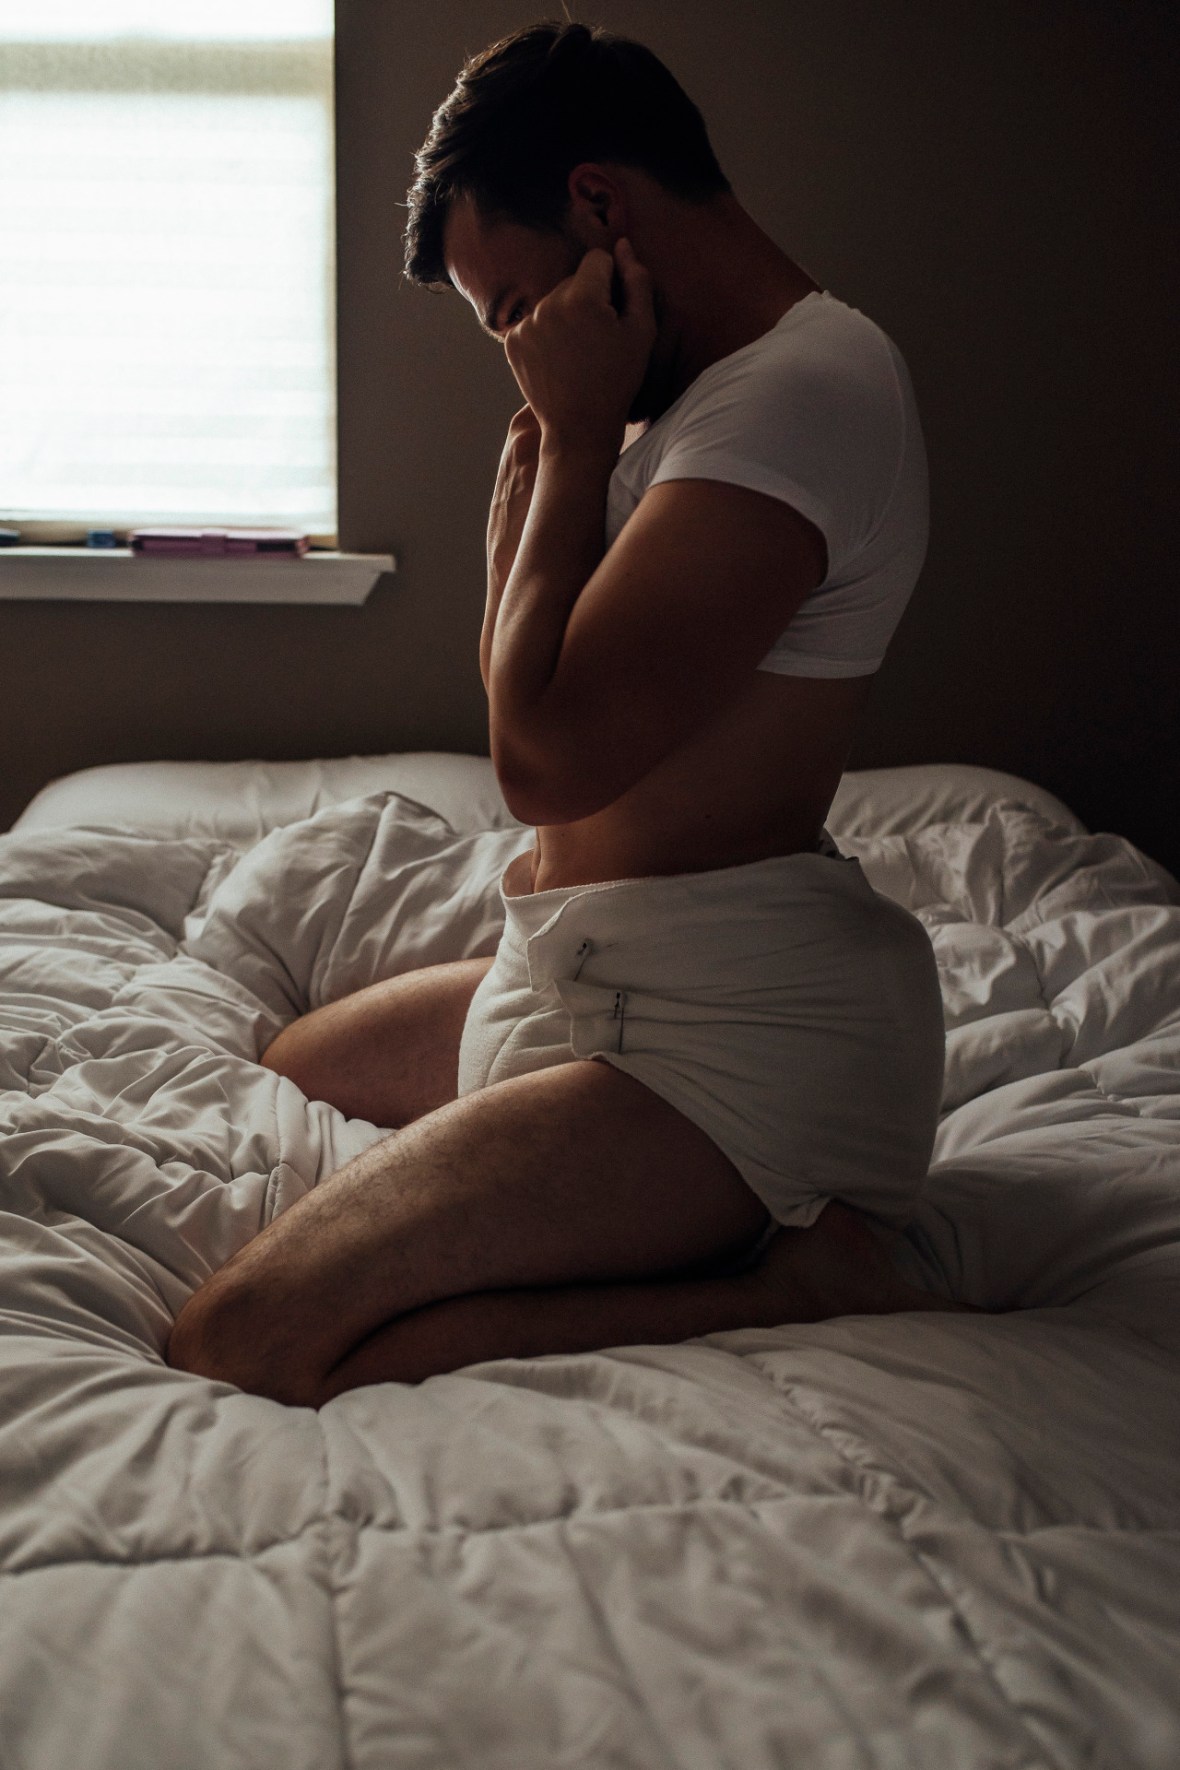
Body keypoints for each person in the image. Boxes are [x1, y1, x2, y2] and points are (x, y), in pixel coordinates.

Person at [166, 21, 962, 1408]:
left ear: (599, 205)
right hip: (589, 970)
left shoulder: (801, 393)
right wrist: (542, 493)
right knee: (293, 1060)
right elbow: (527, 700)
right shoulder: (686, 398)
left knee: (243, 1338)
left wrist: (579, 449)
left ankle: (787, 1286)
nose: (520, 350)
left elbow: (542, 763)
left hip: (729, 1042)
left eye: (514, 304)